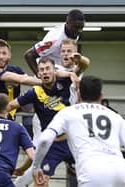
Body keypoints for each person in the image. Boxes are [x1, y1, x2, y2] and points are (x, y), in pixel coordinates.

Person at [32, 75, 125, 187]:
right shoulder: (115, 116)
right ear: (101, 96)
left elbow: (45, 140)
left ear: (78, 94)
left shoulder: (67, 112)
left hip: (90, 170)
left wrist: (36, 167)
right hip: (120, 170)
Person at [7, 57, 79, 187]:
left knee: (90, 176)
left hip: (73, 140)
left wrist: (71, 73)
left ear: (54, 71)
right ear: (38, 74)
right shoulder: (34, 92)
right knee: (41, 182)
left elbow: (84, 65)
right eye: (41, 70)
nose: (45, 72)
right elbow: (11, 105)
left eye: (47, 69)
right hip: (53, 145)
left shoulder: (65, 82)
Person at [24, 9, 85, 74]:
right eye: (76, 27)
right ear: (68, 22)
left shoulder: (73, 33)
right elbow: (29, 55)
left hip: (62, 70)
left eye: (81, 27)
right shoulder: (53, 40)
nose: (79, 31)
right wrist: (39, 76)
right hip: (48, 73)